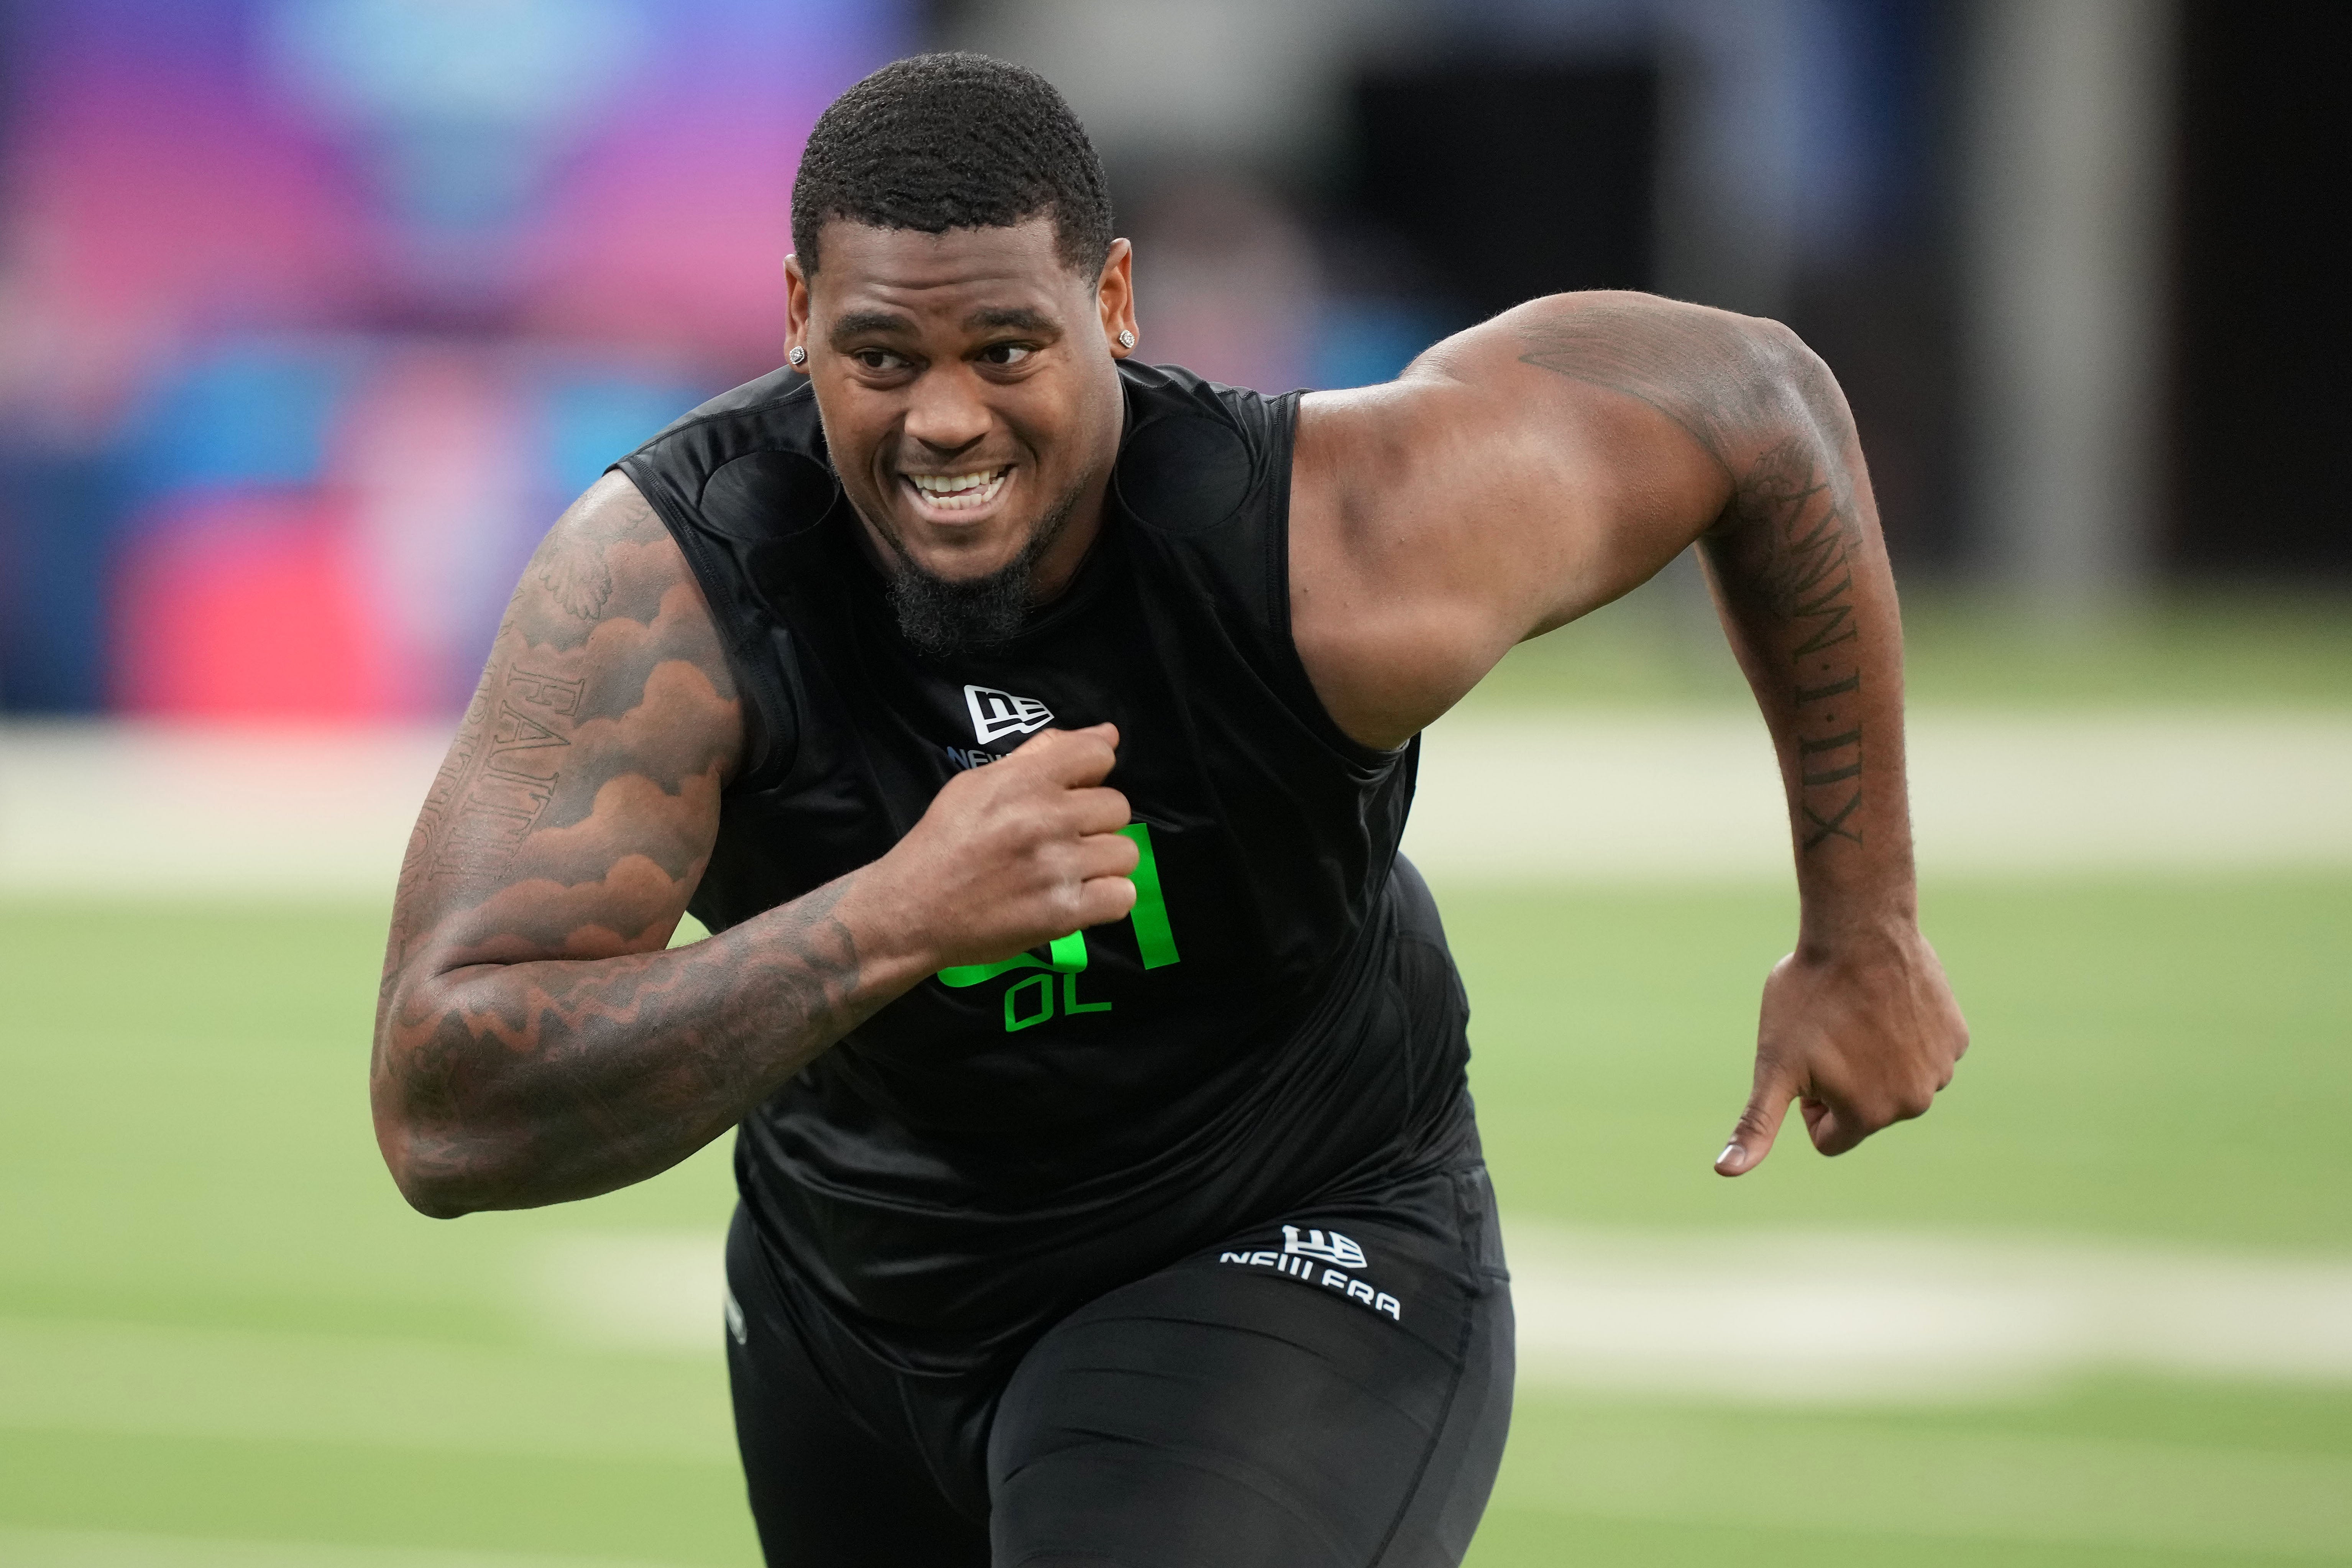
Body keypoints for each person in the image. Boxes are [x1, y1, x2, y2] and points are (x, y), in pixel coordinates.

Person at [371, 51, 1968, 1568]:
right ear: (798, 321)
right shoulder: (670, 584)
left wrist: (1864, 925)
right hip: (848, 1290)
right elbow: (444, 1107)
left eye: (1006, 350)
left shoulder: (1333, 542)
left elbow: (1757, 402)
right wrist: (892, 916)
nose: (943, 421)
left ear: (1113, 302)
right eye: (881, 359)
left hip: (1271, 1230)